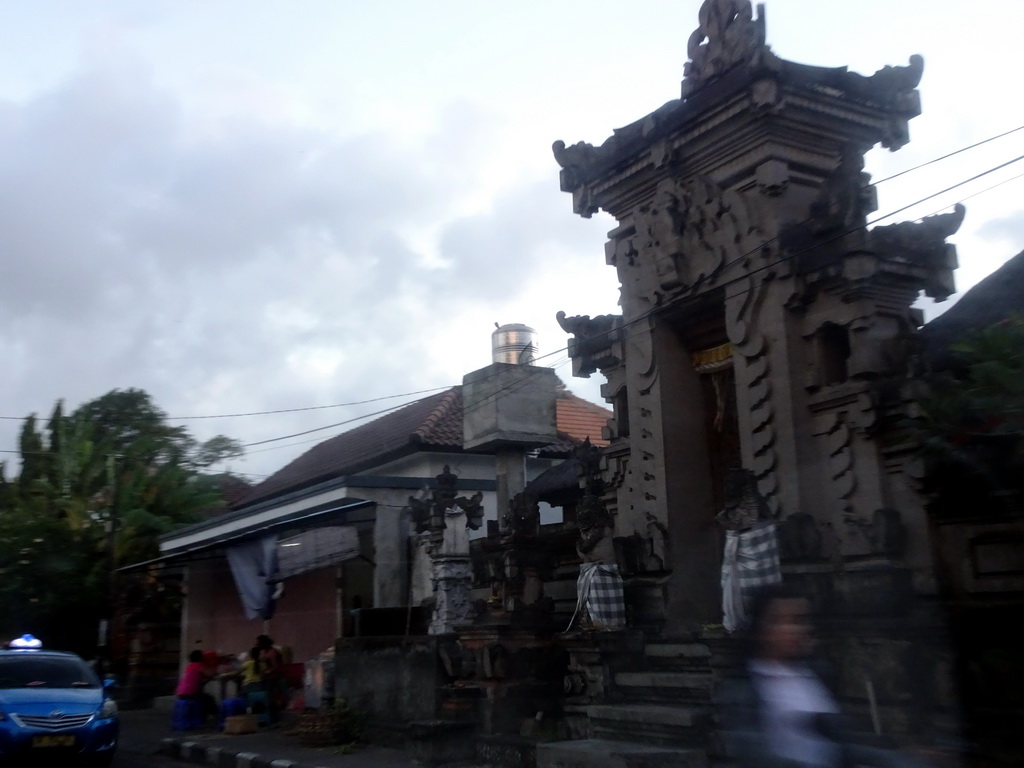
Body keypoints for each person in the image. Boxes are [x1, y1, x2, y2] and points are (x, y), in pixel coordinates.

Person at [716, 583, 933, 768]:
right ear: (762, 628)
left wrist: (902, 759)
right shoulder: (744, 686)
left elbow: (847, 740)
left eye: (802, 621)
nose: (798, 630)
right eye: (785, 621)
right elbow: (755, 753)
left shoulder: (815, 675)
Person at [175, 649, 217, 721]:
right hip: (191, 693)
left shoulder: (189, 667)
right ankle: (211, 716)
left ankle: (200, 716)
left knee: (203, 697)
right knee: (209, 699)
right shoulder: (198, 665)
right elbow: (209, 674)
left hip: (181, 693)